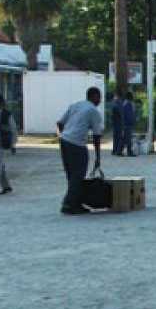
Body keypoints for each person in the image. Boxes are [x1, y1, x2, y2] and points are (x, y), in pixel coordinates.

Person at [57, 87, 103, 215]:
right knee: (79, 174)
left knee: (71, 174)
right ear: (94, 97)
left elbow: (60, 122)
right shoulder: (93, 111)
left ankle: (76, 201)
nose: (100, 100)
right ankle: (69, 204)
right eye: (99, 97)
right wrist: (98, 157)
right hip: (76, 144)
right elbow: (96, 135)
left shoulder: (76, 105)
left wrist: (64, 135)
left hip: (64, 141)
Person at [122, 91, 137, 156]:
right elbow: (129, 115)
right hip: (128, 124)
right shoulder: (128, 104)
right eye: (132, 96)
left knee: (126, 138)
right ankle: (129, 151)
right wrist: (132, 121)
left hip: (126, 123)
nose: (133, 97)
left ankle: (119, 150)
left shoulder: (126, 103)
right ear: (130, 97)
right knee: (128, 139)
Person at [111, 91, 123, 155]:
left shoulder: (113, 102)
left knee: (115, 137)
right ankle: (118, 151)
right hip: (119, 122)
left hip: (114, 123)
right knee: (119, 137)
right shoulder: (119, 103)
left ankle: (114, 150)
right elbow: (121, 113)